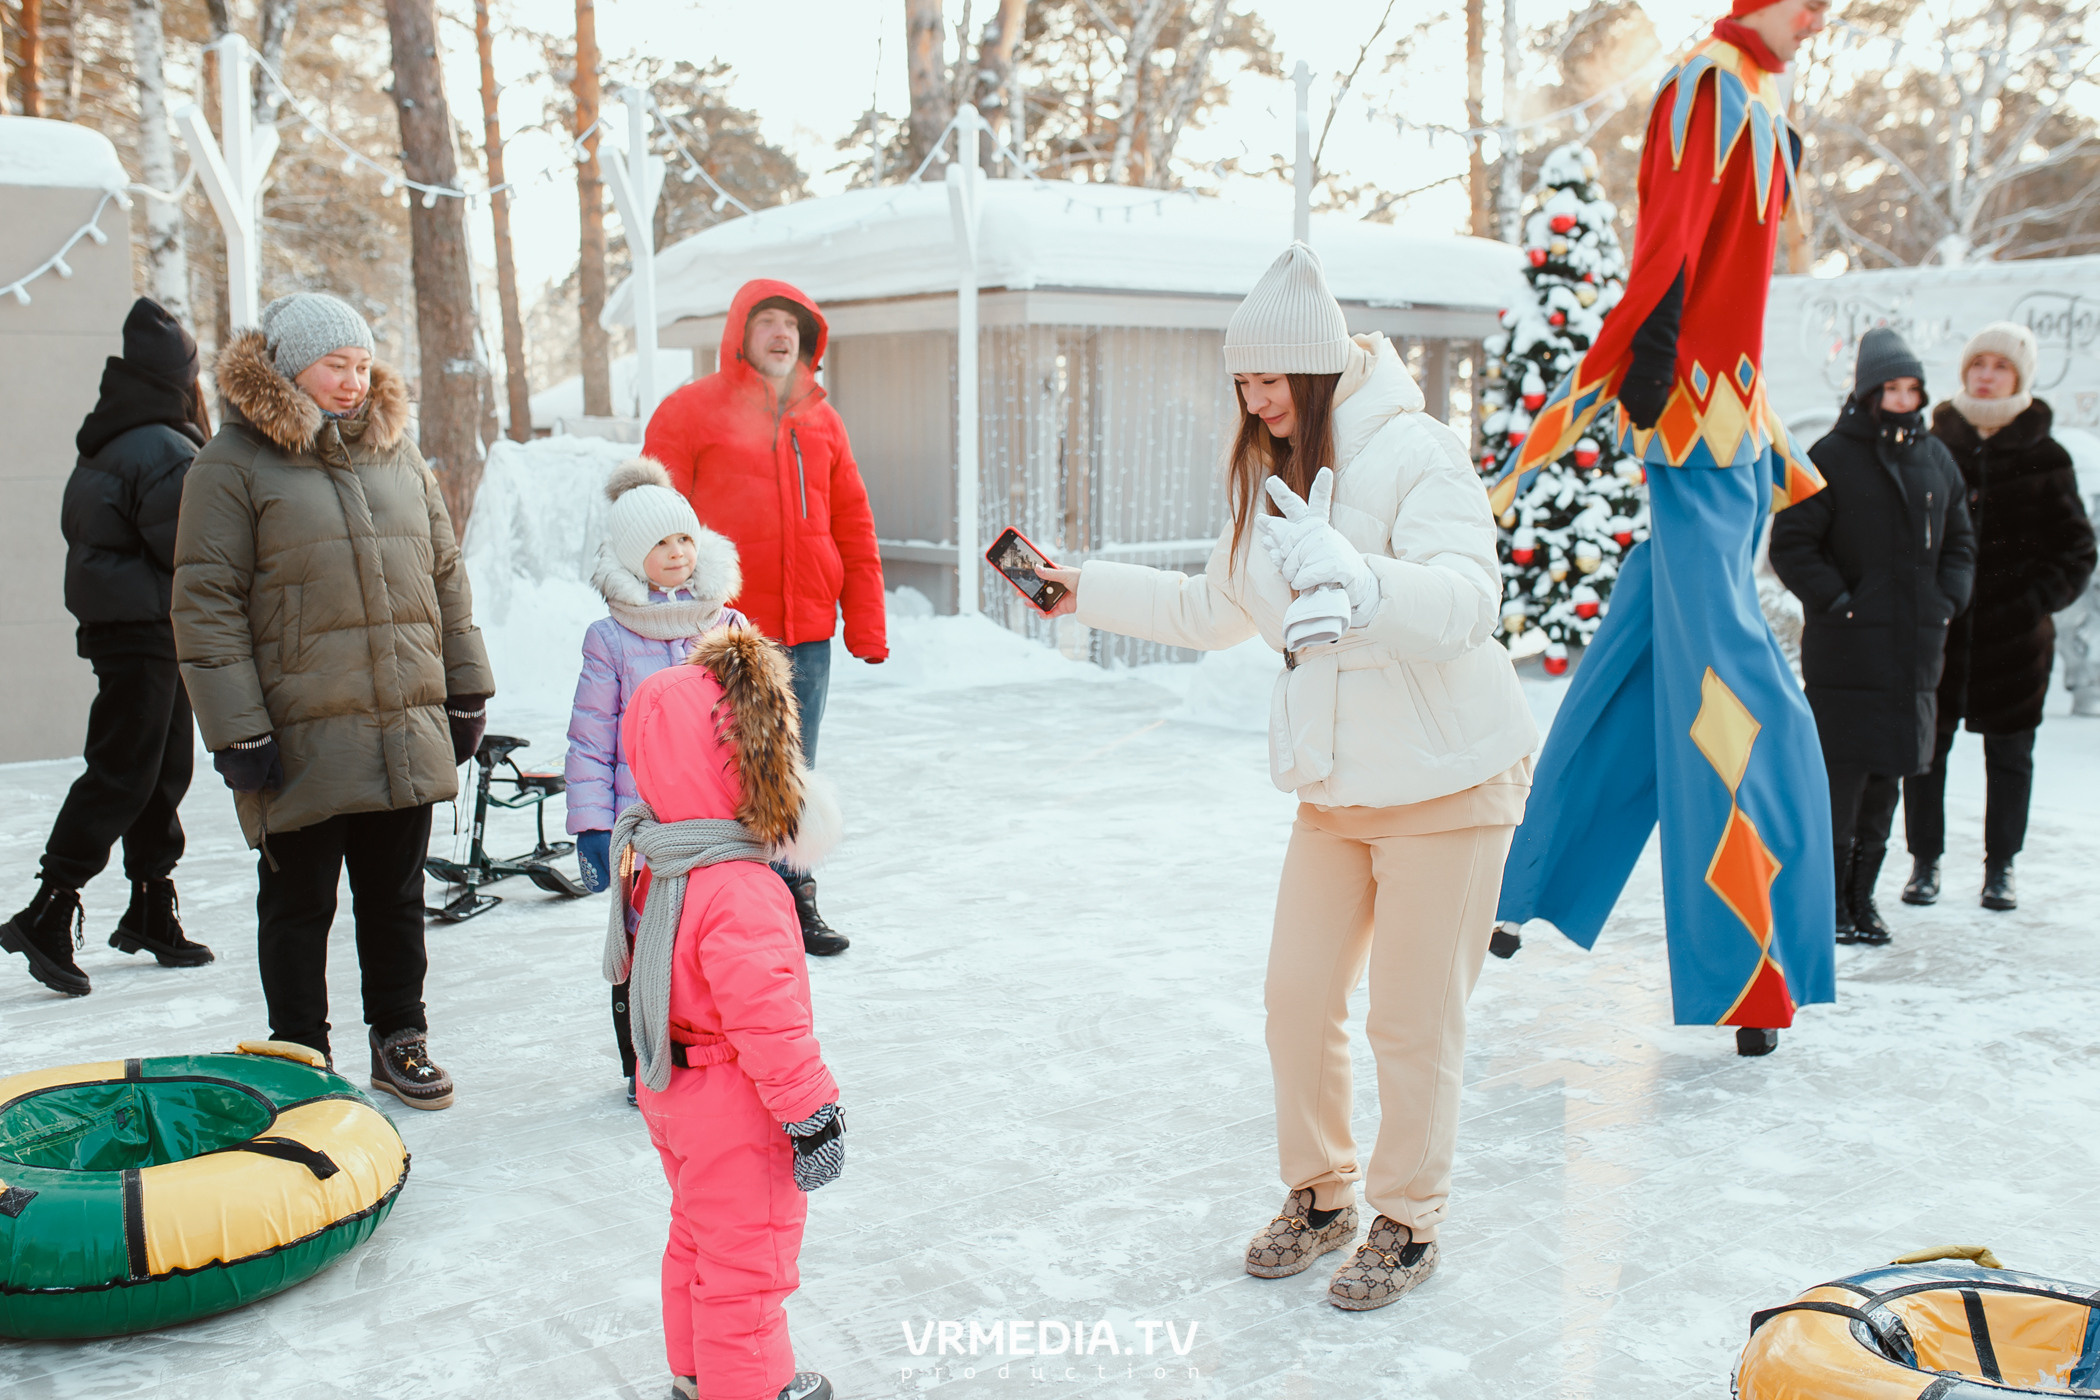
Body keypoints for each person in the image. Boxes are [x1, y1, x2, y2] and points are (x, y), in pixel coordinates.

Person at [1041, 242, 1540, 1311]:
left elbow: (1465, 601)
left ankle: (1408, 1217)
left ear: (1319, 369)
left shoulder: (1416, 454)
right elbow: (1209, 609)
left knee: (1413, 1018)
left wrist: (1364, 580)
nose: (1256, 398)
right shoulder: (1268, 474)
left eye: (1271, 379)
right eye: (1243, 381)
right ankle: (1322, 1193)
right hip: (1337, 786)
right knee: (1297, 997)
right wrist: (1080, 589)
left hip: (1448, 786)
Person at [1487, 0, 1835, 1057]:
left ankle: (1521, 883)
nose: (1819, 22)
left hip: (1723, 422)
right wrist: (1652, 347)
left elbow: (1729, 268)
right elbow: (1671, 245)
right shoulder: (1708, 85)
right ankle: (1752, 968)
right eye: (1810, 1)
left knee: (1635, 667)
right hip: (1698, 421)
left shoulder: (1755, 99)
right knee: (1736, 695)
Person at [171, 292, 494, 1108]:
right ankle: (298, 1061)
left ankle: (401, 1036)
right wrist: (235, 730)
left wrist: (465, 686)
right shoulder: (231, 465)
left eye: (360, 364)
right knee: (298, 903)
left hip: (400, 720)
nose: (353, 382)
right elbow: (205, 604)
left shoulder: (398, 453)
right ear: (287, 368)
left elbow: (445, 576)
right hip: (297, 733)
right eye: (333, 366)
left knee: (395, 897)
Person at [606, 626, 842, 1400]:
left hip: (674, 1095)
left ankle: (699, 1375)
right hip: (737, 1104)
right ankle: (751, 1389)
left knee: (699, 1242)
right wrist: (811, 1114)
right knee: (750, 1264)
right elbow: (767, 1021)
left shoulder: (659, 858)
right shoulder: (739, 886)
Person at [643, 279, 884, 956]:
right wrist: (662, 610)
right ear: (740, 335)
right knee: (716, 773)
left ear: (807, 342)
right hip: (722, 633)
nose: (781, 335)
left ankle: (793, 900)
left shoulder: (824, 422)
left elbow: (854, 525)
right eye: (768, 322)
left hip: (807, 632)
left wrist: (865, 622)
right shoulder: (691, 412)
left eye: (792, 326)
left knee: (793, 770)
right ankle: (720, 910)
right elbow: (651, 521)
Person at [1, 298, 217, 995]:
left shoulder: (118, 436)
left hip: (135, 627)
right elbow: (191, 548)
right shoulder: (164, 448)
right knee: (125, 769)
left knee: (160, 767)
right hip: (146, 628)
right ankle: (49, 907)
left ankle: (151, 905)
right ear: (177, 377)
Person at [1769, 328, 1975, 947]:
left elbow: (1961, 539)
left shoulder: (1936, 458)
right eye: (1892, 388)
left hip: (1915, 654)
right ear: (1867, 391)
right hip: (1847, 652)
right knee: (1839, 783)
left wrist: (1947, 601)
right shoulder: (1829, 455)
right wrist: (1839, 603)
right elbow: (1793, 544)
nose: (1904, 399)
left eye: (1912, 389)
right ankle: (1830, 903)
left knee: (1889, 778)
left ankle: (1864, 901)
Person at [565, 457, 746, 1105]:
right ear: (630, 557)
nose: (676, 554)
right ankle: (644, 1060)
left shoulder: (726, 627)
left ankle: (713, 1047)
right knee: (643, 943)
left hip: (717, 817)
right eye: (659, 544)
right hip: (640, 824)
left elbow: (759, 724)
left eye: (684, 538)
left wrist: (774, 803)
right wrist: (590, 823)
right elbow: (590, 735)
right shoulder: (610, 639)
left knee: (709, 935)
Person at [1904, 322, 2097, 911]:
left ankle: (2000, 868)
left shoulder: (2046, 454)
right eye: (1978, 364)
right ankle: (1924, 862)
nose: (1987, 376)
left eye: (2001, 367)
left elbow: (2077, 549)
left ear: (2020, 376)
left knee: (2010, 756)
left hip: (2014, 641)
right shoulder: (1929, 444)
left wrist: (2032, 604)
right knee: (1925, 751)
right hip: (1938, 633)